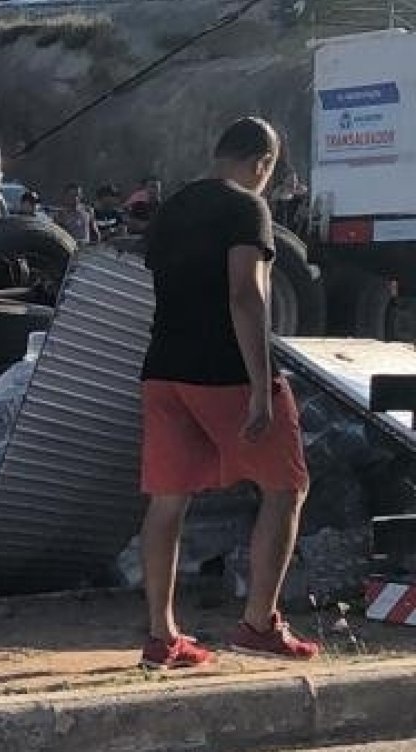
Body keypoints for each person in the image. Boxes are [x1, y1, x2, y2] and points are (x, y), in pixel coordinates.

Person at [137, 116, 320, 670]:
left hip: (163, 369)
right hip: (225, 372)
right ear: (262, 164)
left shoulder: (173, 208)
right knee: (287, 486)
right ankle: (259, 624)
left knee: (167, 502)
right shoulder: (247, 207)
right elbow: (245, 296)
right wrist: (262, 390)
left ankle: (161, 636)